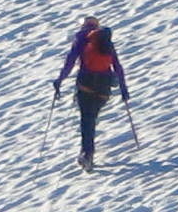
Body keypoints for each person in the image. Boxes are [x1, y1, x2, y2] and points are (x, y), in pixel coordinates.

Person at [51, 12, 129, 171]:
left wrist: (60, 80)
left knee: (86, 119)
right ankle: (88, 153)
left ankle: (87, 153)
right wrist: (123, 88)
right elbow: (117, 66)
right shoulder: (106, 41)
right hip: (104, 87)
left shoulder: (81, 39)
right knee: (91, 117)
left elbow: (70, 61)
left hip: (85, 84)